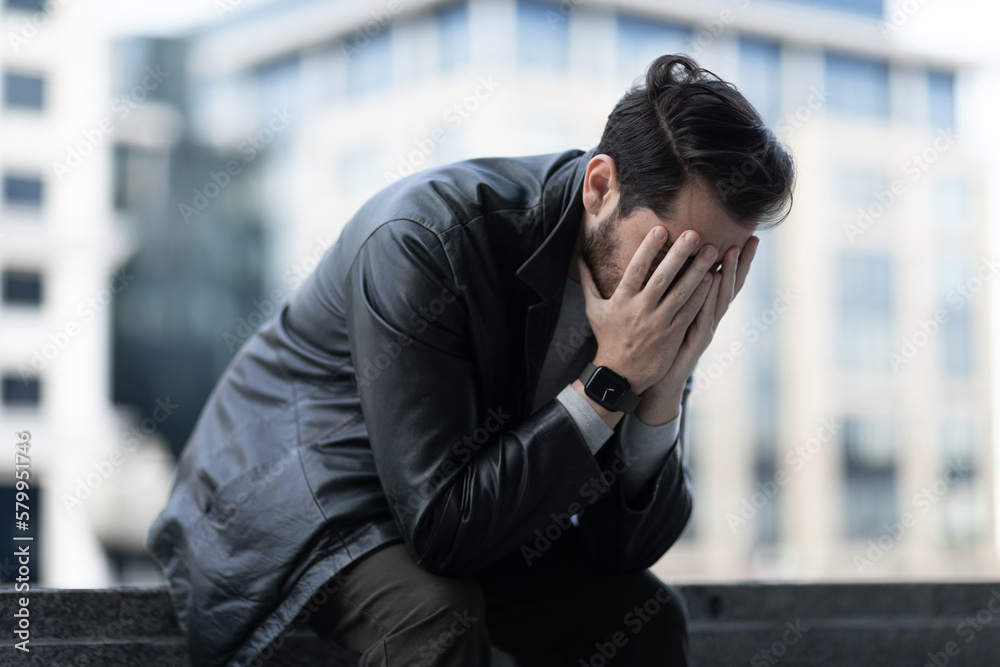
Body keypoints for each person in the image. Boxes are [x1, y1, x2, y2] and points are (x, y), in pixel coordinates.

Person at [146, 53, 794, 667]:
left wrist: (663, 384)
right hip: (292, 495)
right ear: (601, 187)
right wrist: (613, 377)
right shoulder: (425, 239)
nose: (686, 284)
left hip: (469, 501)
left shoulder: (656, 290)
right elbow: (443, 530)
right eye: (674, 254)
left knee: (645, 614)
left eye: (715, 265)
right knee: (436, 616)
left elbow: (626, 548)